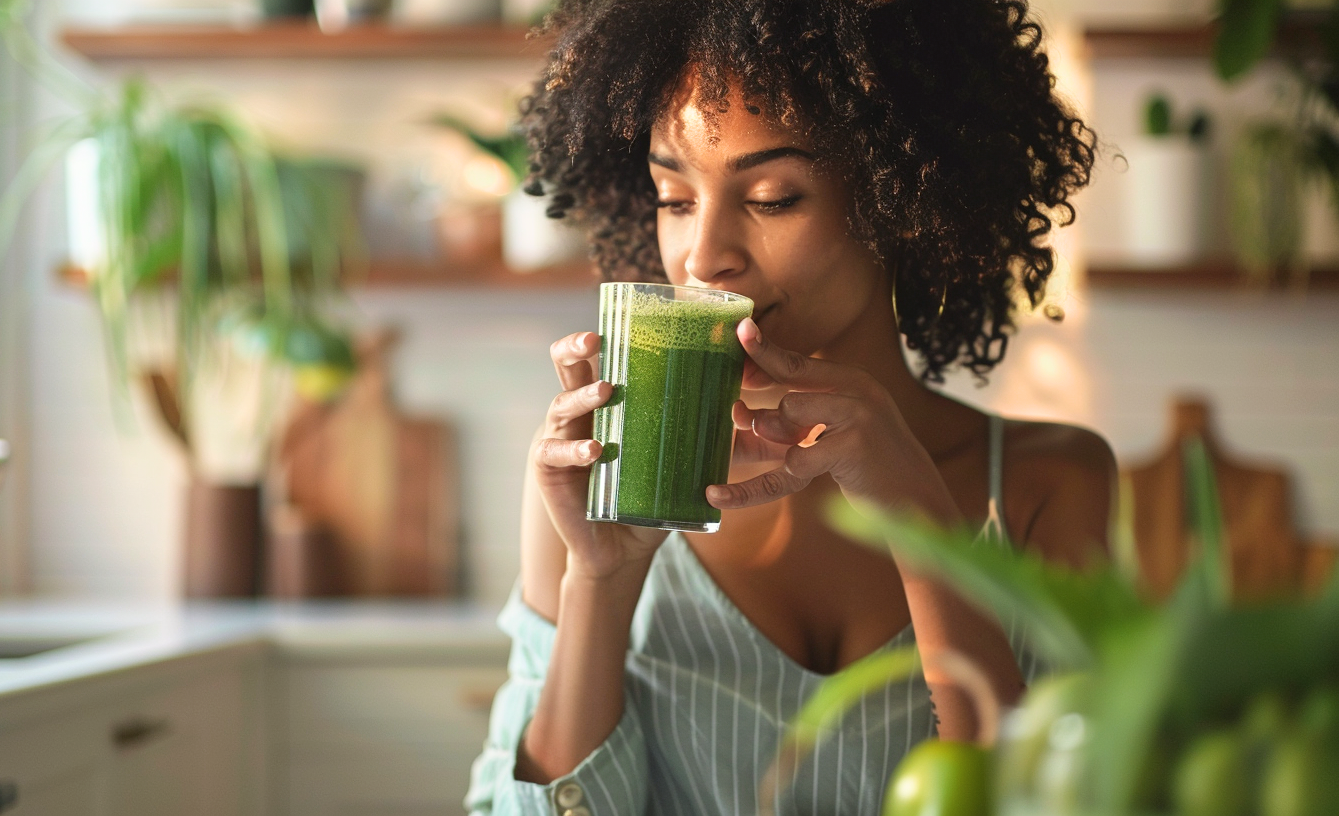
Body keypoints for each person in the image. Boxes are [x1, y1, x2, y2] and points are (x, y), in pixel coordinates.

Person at [466, 1, 1113, 813]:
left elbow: (1056, 800)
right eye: (673, 198)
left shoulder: (1048, 482)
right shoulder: (594, 474)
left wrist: (920, 522)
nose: (703, 256)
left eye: (772, 198)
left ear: (904, 199)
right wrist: (601, 581)